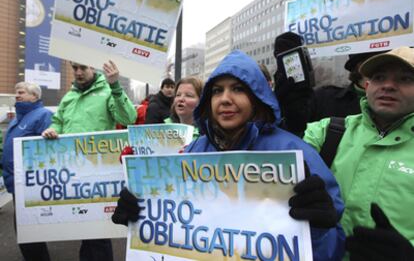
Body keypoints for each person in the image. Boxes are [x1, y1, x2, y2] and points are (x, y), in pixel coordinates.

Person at [113, 51, 346, 261]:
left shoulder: (295, 153)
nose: (225, 98)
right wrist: (141, 217)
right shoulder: (196, 150)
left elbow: (331, 248)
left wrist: (317, 230)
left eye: (238, 89)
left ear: (257, 98)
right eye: (217, 90)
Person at [303, 46, 414, 261]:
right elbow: (275, 160)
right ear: (367, 85)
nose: (388, 86)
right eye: (379, 77)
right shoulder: (329, 131)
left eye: (405, 79)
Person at [42, 60, 137, 261]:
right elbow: (58, 122)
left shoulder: (108, 91)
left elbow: (128, 117)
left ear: (92, 68)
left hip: (99, 172)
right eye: (74, 68)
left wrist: (116, 86)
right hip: (74, 173)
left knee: (98, 233)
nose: (78, 72)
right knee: (84, 230)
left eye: (82, 68)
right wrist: (53, 131)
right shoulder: (69, 96)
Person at [273, 31, 385, 136]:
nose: (388, 86)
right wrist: (291, 106)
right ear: (358, 66)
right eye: (375, 61)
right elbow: (294, 136)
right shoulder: (324, 99)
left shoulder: (399, 104)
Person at [2, 82, 53, 261]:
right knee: (24, 229)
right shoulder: (18, 117)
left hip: (28, 182)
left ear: (34, 96)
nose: (17, 95)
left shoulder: (43, 115)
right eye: (16, 92)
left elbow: (49, 148)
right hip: (15, 181)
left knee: (28, 228)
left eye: (21, 92)